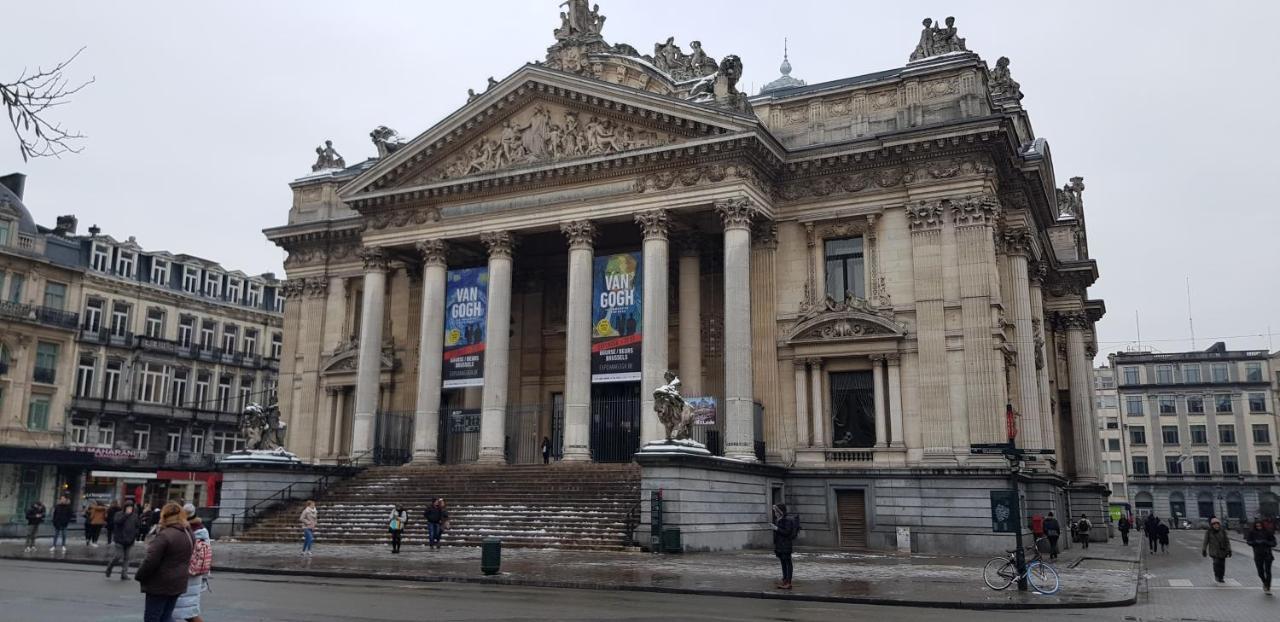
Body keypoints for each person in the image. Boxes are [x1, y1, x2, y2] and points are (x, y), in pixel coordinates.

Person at [134, 502, 193, 622]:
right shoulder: (188, 533)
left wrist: (139, 576)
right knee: (166, 616)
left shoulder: (165, 535)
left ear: (164, 516)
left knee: (153, 618)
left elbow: (150, 561)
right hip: (178, 581)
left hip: (160, 584)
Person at [173, 516, 213, 622]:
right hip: (197, 576)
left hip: (185, 576)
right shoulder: (203, 532)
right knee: (189, 613)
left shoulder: (187, 533)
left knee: (182, 613)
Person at [107, 501, 141, 580]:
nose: (130, 509)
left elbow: (137, 526)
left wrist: (135, 534)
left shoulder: (135, 516)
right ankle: (109, 568)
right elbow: (117, 522)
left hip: (130, 540)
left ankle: (124, 574)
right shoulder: (118, 514)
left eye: (131, 507)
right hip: (119, 539)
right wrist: (126, 515)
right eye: (128, 507)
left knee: (127, 558)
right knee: (118, 556)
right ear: (125, 507)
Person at [771, 503, 799, 590]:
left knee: (788, 563)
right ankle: (785, 580)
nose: (774, 513)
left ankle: (788, 582)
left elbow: (787, 532)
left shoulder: (786, 520)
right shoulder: (779, 520)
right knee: (783, 563)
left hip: (786, 545)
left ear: (780, 511)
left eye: (776, 511)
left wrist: (776, 529)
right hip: (780, 545)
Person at [1245, 520, 1276, 595]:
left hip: (1267, 554)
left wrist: (1266, 542)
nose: (1259, 527)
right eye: (1257, 526)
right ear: (1255, 526)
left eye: (1260, 526)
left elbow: (1274, 543)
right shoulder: (1252, 533)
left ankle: (1268, 587)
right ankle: (1264, 582)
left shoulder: (1267, 532)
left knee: (1268, 571)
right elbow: (1248, 541)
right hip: (1258, 554)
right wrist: (1255, 542)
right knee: (1260, 572)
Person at [1201, 517, 1232, 583]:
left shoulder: (1223, 531)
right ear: (1212, 525)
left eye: (1217, 524)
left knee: (1222, 565)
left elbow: (1227, 541)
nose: (1216, 525)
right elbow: (1205, 541)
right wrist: (1204, 550)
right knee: (1216, 563)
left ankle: (1221, 577)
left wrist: (1229, 550)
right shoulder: (1209, 532)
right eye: (1214, 524)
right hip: (1214, 551)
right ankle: (1217, 576)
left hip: (1222, 550)